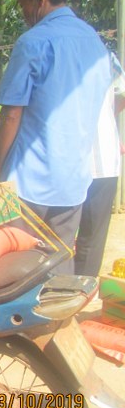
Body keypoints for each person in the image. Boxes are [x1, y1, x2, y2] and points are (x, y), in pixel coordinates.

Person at [0, 0, 112, 274]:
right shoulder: (93, 41)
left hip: (28, 181)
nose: (23, 14)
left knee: (16, 266)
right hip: (73, 180)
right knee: (59, 262)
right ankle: (60, 304)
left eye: (22, 5)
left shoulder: (34, 41)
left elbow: (11, 114)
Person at [75, 53, 125, 276]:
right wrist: (107, 118)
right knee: (92, 239)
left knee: (54, 236)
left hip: (66, 162)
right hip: (103, 156)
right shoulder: (106, 56)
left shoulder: (48, 48)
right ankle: (81, 288)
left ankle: (65, 289)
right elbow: (122, 93)